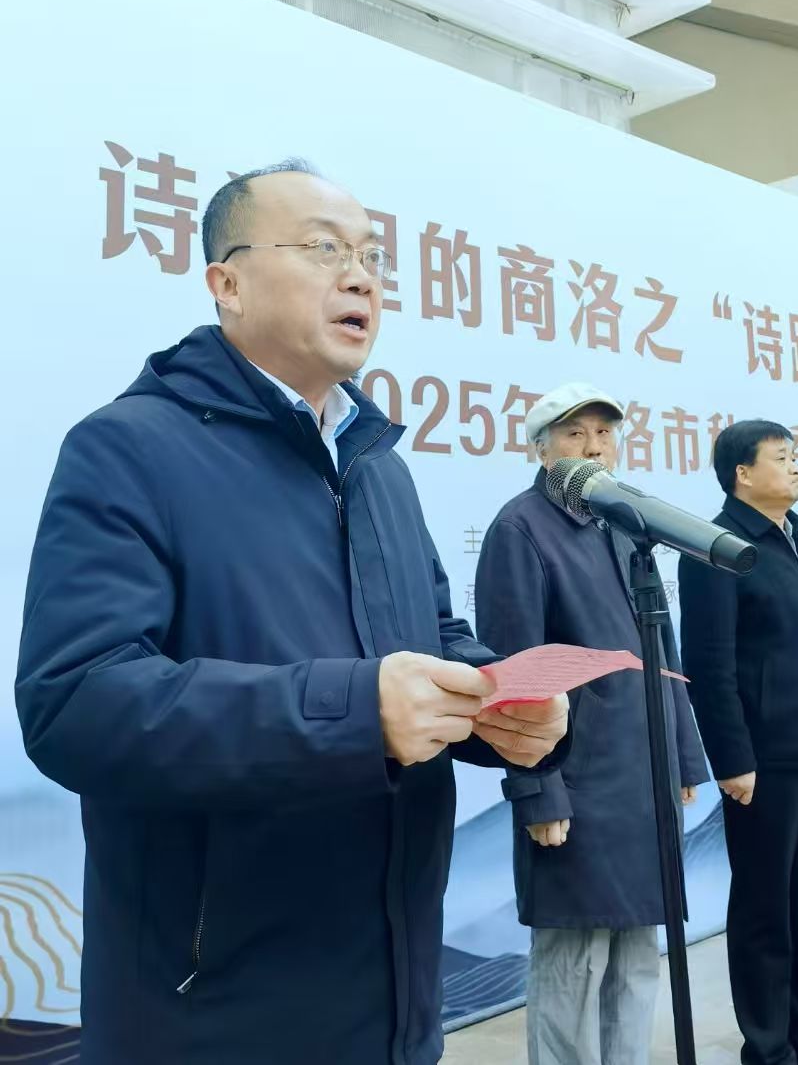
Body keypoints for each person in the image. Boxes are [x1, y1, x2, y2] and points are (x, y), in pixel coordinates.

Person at [15, 160, 569, 1065]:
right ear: (226, 283)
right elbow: (75, 703)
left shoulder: (378, 467)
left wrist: (495, 704)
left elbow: (431, 636)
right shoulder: (127, 448)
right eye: (323, 249)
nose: (360, 278)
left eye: (371, 258)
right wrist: (358, 712)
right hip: (214, 1014)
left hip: (395, 994)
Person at [474, 381, 708, 1065]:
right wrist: (538, 791)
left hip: (643, 782)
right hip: (578, 784)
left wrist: (682, 756)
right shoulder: (520, 529)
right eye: (575, 433)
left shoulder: (625, 523)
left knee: (637, 957)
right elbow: (513, 675)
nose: (594, 446)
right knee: (575, 962)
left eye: (605, 433)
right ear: (541, 449)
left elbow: (662, 653)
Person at [679, 420, 798, 1065]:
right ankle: (767, 1049)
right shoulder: (716, 547)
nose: (796, 466)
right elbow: (709, 664)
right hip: (765, 761)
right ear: (742, 473)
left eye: (796, 455)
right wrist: (732, 759)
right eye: (782, 457)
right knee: (765, 908)